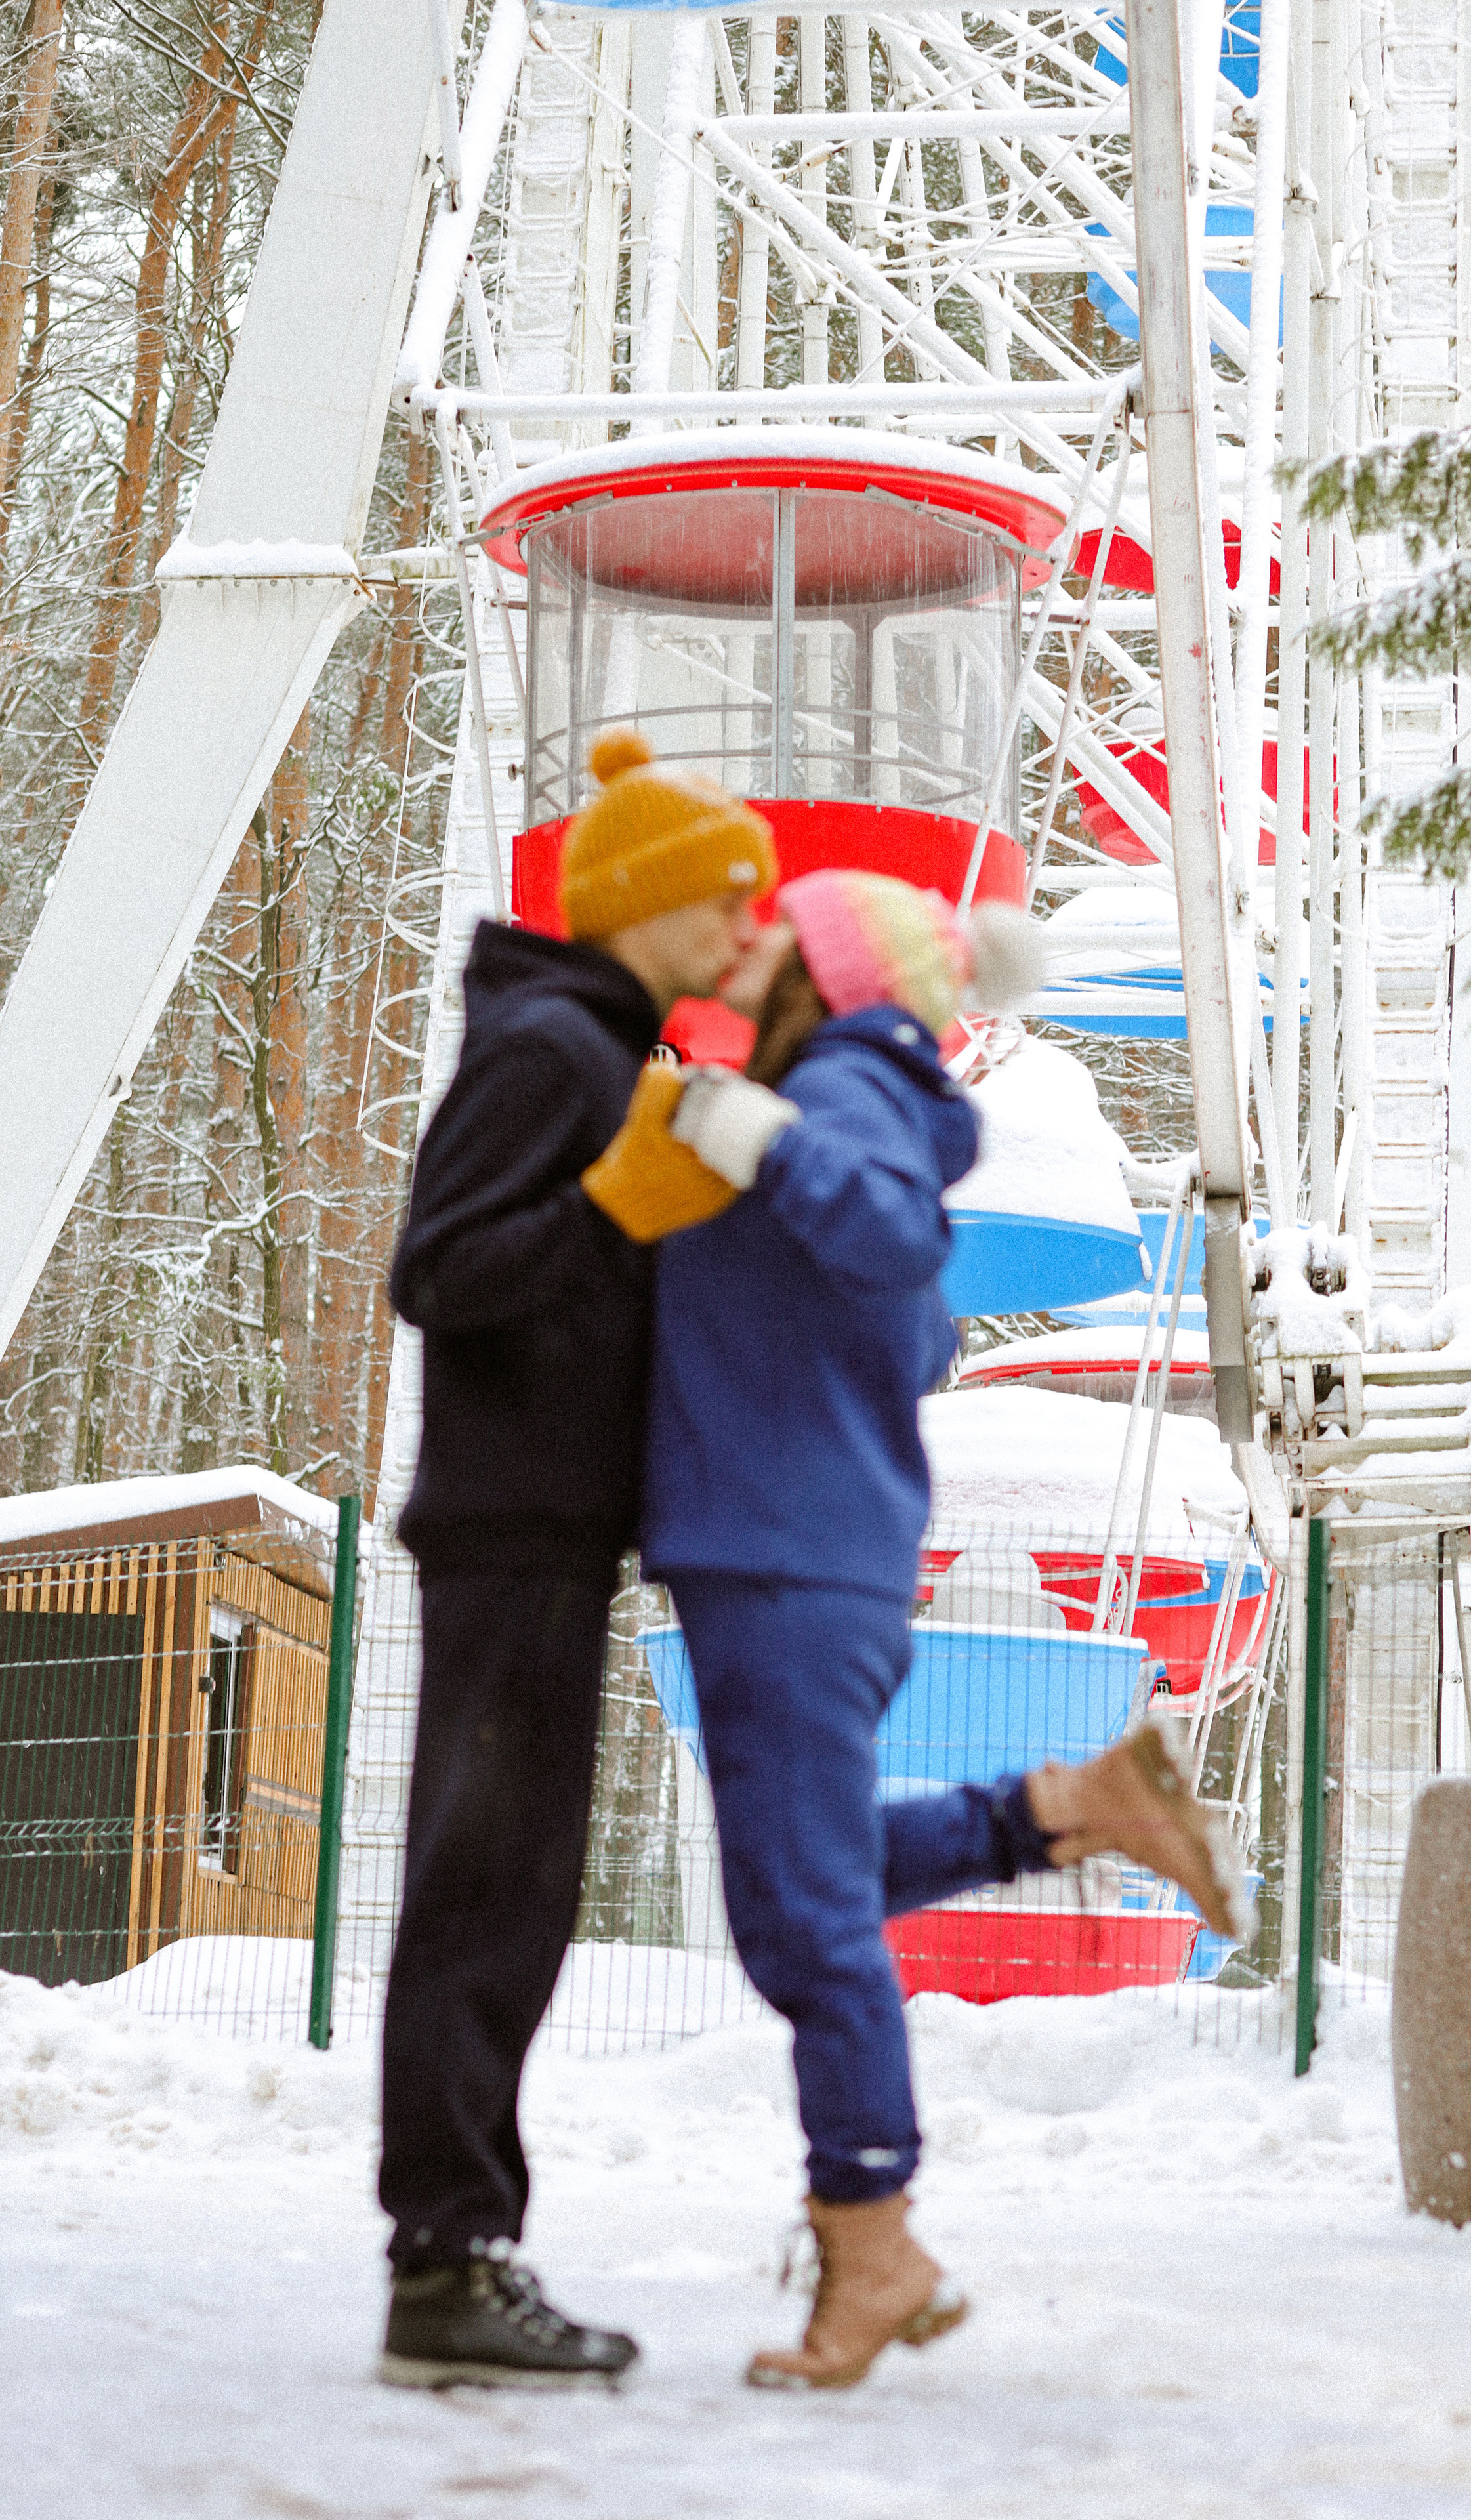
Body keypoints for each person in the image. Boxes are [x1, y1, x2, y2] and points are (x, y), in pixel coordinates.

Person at [613, 866, 1251, 2393]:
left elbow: (890, 1243)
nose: (744, 946)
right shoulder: (860, 1090)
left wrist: (731, 1124)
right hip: (793, 1547)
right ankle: (1076, 1805)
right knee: (800, 1895)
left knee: (805, 1924)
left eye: (771, 938)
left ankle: (872, 2235)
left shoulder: (845, 1086)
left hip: (787, 1558)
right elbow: (900, 1321)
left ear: (828, 977)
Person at [377, 729, 779, 2391]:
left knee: (513, 1892)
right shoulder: (552, 1047)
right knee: (485, 1893)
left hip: (547, 1529)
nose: (748, 916)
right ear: (644, 906)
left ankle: (461, 2252)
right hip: (507, 1531)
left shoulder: (598, 1043)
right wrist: (617, 1203)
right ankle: (445, 2266)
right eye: (723, 893)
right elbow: (437, 1272)